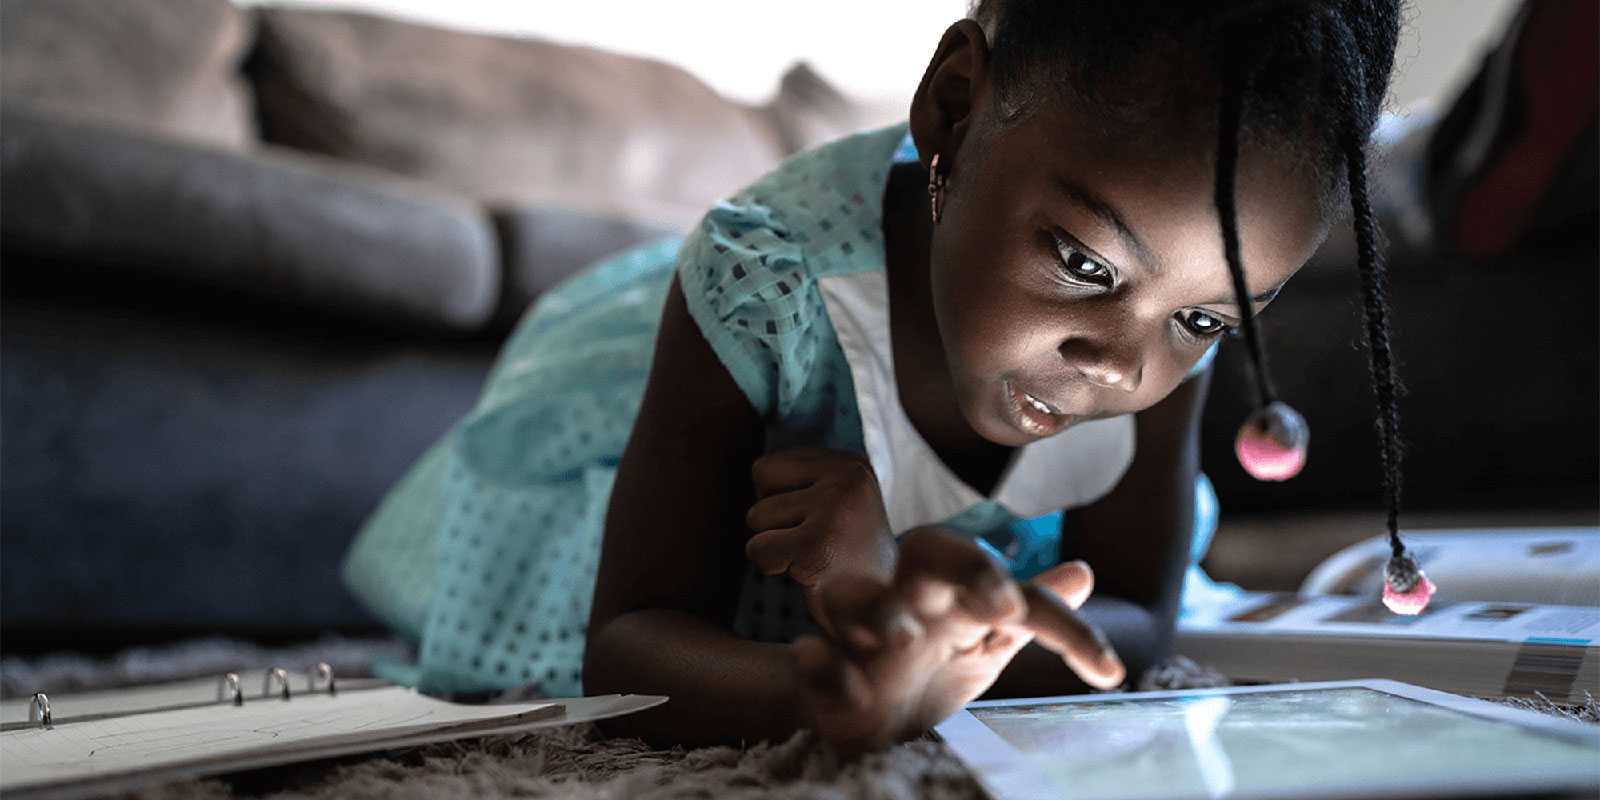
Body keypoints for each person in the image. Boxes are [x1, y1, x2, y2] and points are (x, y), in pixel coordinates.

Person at [342, 0, 1405, 753]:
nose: (1125, 365)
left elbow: (1135, 613)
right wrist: (825, 689)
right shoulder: (760, 281)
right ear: (950, 106)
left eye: (1207, 319)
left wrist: (927, 645)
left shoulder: (1158, 336)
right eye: (1082, 261)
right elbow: (632, 644)